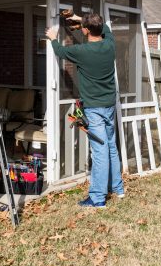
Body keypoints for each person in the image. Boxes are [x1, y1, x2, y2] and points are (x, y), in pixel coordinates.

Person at [45, 12, 124, 208]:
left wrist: (53, 38)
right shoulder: (110, 45)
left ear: (87, 30)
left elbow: (60, 52)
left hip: (95, 108)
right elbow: (105, 28)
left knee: (100, 151)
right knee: (111, 146)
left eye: (83, 27)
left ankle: (97, 198)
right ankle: (118, 188)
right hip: (109, 105)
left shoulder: (82, 51)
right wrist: (82, 20)